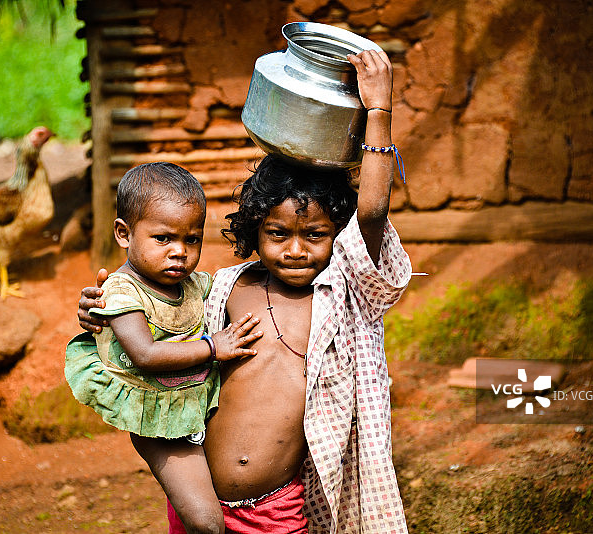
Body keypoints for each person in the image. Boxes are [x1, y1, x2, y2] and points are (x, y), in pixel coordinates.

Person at [78, 49, 411, 533]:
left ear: (339, 234)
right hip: (202, 502)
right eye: (277, 234)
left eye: (315, 235)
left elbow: (373, 212)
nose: (295, 250)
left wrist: (378, 111)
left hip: (278, 510)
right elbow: (151, 313)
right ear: (254, 230)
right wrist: (101, 308)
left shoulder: (343, 296)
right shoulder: (225, 289)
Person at [65, 162, 263, 534]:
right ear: (124, 234)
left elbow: (232, 285)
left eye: (192, 239)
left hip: (194, 405)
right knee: (207, 523)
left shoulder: (191, 284)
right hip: (158, 419)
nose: (179, 252)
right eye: (163, 239)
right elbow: (145, 355)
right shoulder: (123, 291)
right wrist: (213, 347)